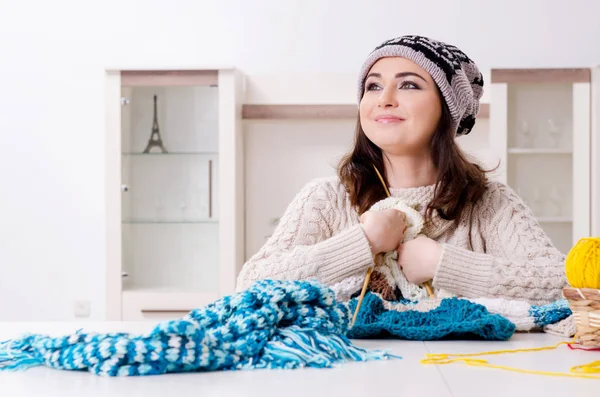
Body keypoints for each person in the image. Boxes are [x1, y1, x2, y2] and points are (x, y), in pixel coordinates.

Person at [235, 35, 567, 305]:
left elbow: (564, 283)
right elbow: (250, 285)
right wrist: (361, 242)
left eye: (408, 85)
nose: (385, 99)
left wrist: (444, 264)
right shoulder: (326, 199)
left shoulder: (488, 202)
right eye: (373, 87)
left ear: (447, 108)